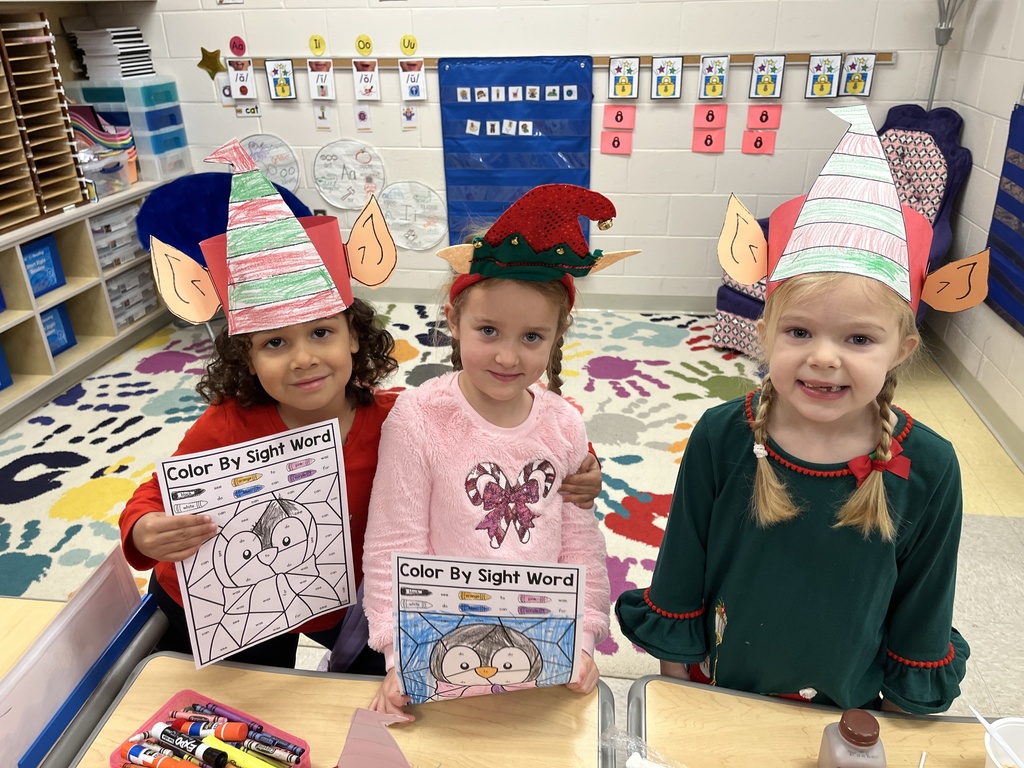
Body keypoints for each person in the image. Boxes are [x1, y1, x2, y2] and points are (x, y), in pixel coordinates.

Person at [119, 149, 602, 670]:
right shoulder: (227, 423)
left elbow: (490, 429)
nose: (303, 359)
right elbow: (159, 491)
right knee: (236, 697)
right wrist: (145, 528)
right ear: (246, 356)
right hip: (223, 602)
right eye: (275, 343)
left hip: (336, 599)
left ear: (353, 336)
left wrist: (583, 465)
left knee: (396, 676)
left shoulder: (395, 416)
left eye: (321, 333)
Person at [616, 105, 989, 715]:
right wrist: (678, 674)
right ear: (764, 332)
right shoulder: (722, 435)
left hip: (849, 705)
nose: (823, 358)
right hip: (722, 686)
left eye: (858, 339)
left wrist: (899, 711)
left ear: (903, 349)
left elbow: (926, 597)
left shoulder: (931, 465)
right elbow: (683, 559)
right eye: (798, 332)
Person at [362, 184, 643, 719]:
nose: (508, 357)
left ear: (558, 333)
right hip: (438, 645)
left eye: (532, 337)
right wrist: (400, 653)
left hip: (542, 647)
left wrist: (583, 638)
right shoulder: (419, 417)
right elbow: (394, 543)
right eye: (488, 330)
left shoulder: (564, 424)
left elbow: (580, 543)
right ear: (453, 321)